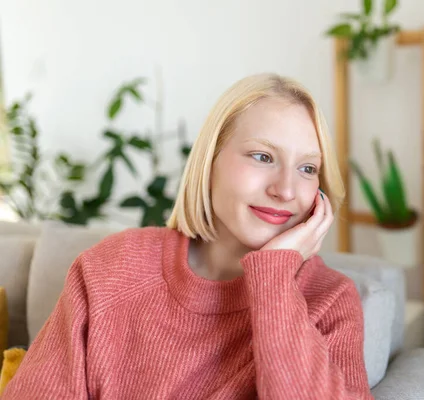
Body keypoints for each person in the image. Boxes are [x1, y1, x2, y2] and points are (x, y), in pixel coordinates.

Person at [2, 73, 373, 399]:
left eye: (308, 168)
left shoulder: (330, 300)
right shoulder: (110, 267)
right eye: (262, 157)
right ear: (210, 162)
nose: (287, 189)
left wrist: (275, 276)